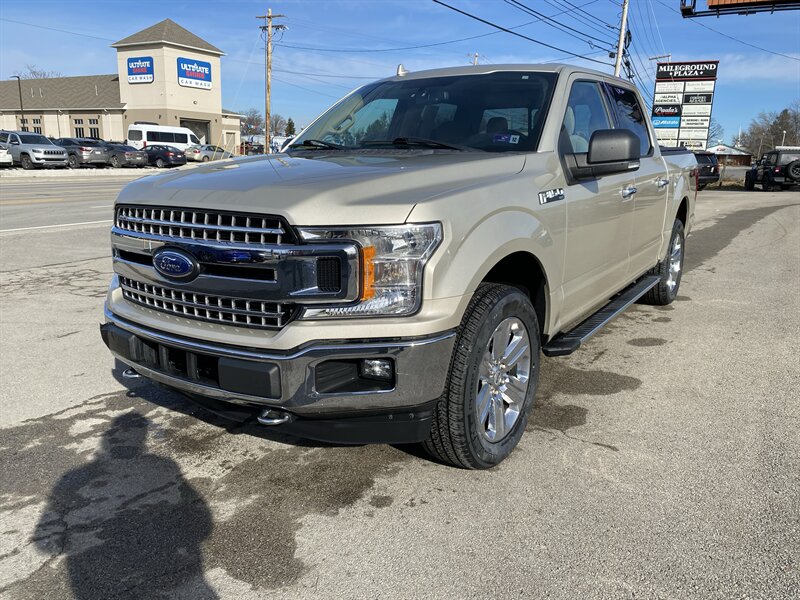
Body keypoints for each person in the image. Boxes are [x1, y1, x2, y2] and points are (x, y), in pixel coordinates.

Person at [34, 413, 217, 599]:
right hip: (171, 568)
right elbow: (204, 527)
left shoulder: (72, 479)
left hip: (103, 575)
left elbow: (45, 543)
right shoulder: (163, 464)